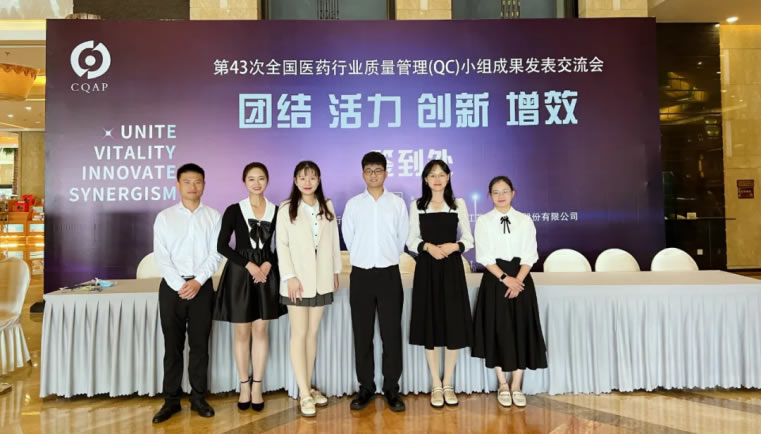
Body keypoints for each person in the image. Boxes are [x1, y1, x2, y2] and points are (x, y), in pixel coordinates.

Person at [152, 163, 222, 423]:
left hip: (202, 289)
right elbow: (162, 255)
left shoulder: (213, 216)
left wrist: (197, 282)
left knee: (200, 345)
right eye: (187, 182)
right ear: (178, 185)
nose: (193, 187)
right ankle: (171, 401)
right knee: (172, 346)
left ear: (204, 185)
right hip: (172, 289)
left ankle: (198, 398)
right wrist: (179, 284)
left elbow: (216, 254)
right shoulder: (165, 217)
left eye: (198, 182)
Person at [214, 162, 286, 412]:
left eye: (261, 178)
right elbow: (222, 246)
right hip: (240, 273)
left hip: (266, 274)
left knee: (261, 330)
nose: (257, 183)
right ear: (244, 182)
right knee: (242, 332)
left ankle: (257, 386)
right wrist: (249, 265)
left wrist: (267, 263)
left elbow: (282, 245)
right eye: (251, 179)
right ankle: (244, 385)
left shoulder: (277, 211)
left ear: (268, 181)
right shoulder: (234, 210)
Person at [471, 176, 547, 408]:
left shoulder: (524, 220)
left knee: (521, 330)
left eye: (505, 191)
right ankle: (502, 384)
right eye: (496, 192)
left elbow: (530, 255)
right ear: (490, 196)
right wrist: (506, 279)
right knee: (497, 329)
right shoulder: (484, 221)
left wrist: (517, 281)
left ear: (513, 193)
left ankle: (516, 385)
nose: (501, 196)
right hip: (496, 281)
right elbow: (484, 256)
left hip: (521, 281)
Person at [342, 151, 409, 412]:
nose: (373, 175)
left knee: (391, 334)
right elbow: (349, 237)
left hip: (389, 273)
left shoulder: (397, 204)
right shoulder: (353, 204)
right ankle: (366, 387)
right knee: (363, 334)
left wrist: (385, 256)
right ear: (363, 174)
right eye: (369, 171)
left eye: (378, 170)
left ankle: (391, 388)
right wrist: (365, 256)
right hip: (361, 275)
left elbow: (402, 237)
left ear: (386, 173)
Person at [406, 159, 474, 408]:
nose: (437, 179)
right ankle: (436, 382)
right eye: (432, 175)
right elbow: (411, 240)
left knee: (453, 324)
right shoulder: (417, 205)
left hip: (451, 269)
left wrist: (455, 246)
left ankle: (448, 382)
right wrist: (427, 247)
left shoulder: (458, 204)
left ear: (448, 177)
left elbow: (469, 238)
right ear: (425, 179)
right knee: (430, 324)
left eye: (441, 174)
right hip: (427, 268)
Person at [276, 160, 341, 417]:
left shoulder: (327, 206)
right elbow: (282, 246)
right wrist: (290, 277)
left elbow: (334, 241)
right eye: (302, 177)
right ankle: (304, 393)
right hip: (297, 282)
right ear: (295, 180)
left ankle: (308, 387)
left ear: (319, 179)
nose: (307, 182)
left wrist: (335, 270)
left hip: (322, 278)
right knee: (299, 334)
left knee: (312, 334)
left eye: (312, 177)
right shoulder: (286, 209)